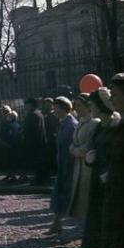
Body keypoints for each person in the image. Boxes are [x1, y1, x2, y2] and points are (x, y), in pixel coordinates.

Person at [82, 87, 123, 248]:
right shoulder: (98, 127)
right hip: (99, 185)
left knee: (117, 233)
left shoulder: (117, 125)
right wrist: (90, 156)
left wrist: (111, 171)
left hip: (116, 183)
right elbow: (93, 148)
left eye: (92, 105)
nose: (90, 109)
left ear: (101, 106)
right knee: (103, 231)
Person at [100, 73, 124, 248]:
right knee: (118, 247)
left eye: (116, 95)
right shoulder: (120, 123)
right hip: (116, 191)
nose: (112, 99)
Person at [45, 97, 78, 235]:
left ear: (63, 108)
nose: (54, 110)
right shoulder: (64, 123)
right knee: (59, 194)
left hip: (70, 166)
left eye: (56, 107)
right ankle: (56, 224)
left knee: (69, 196)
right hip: (63, 164)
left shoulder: (71, 124)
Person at [67, 94, 100, 221]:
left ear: (88, 106)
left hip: (88, 167)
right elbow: (72, 143)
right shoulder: (80, 122)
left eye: (80, 106)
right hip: (79, 166)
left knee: (88, 200)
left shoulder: (94, 123)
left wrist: (75, 150)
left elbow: (88, 147)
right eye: (76, 106)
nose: (77, 109)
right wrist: (74, 149)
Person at [22, 98, 48, 184]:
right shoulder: (39, 113)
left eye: (26, 104)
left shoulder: (32, 114)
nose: (25, 106)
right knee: (40, 162)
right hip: (40, 141)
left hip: (34, 142)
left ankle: (39, 180)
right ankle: (41, 179)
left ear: (30, 105)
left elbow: (30, 130)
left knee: (37, 163)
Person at [43, 98, 59, 176]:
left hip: (53, 137)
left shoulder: (54, 114)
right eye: (45, 103)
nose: (46, 105)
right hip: (48, 137)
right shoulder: (46, 114)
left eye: (48, 103)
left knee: (54, 154)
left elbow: (56, 125)